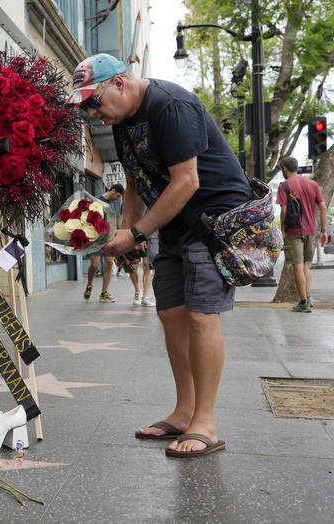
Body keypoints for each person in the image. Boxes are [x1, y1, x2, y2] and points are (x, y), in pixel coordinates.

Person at [69, 53, 252, 457]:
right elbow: (135, 182)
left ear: (119, 82)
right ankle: (184, 413)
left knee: (201, 314)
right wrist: (126, 235)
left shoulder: (169, 105)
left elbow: (187, 182)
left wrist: (137, 231)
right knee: (170, 312)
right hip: (171, 223)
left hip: (213, 220)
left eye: (93, 101)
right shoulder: (120, 122)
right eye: (84, 107)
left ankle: (206, 422)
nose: (91, 112)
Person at [276, 157, 327, 313]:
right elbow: (323, 208)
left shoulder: (284, 186)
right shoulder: (312, 184)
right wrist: (323, 231)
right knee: (305, 264)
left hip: (294, 230)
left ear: (284, 169)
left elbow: (284, 211)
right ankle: (308, 298)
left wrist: (283, 229)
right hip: (310, 231)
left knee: (298, 265)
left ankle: (303, 302)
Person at [84, 184, 124, 303]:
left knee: (109, 265)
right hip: (96, 238)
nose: (117, 199)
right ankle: (89, 285)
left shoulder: (114, 203)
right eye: (117, 196)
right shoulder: (95, 200)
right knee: (95, 265)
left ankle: (104, 293)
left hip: (109, 237)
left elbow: (114, 220)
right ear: (113, 190)